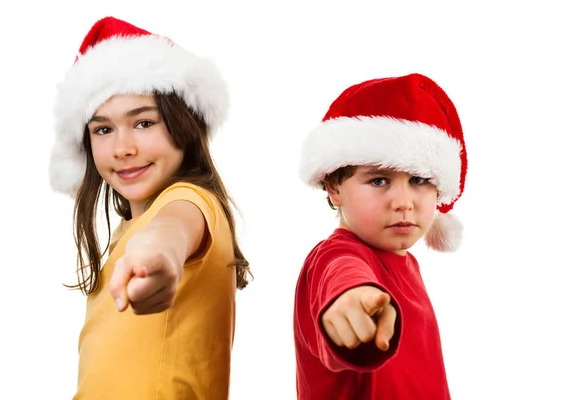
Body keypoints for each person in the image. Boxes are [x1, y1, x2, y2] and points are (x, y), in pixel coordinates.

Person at [48, 16, 251, 399]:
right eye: (103, 129)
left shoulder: (189, 201)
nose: (123, 148)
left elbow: (172, 231)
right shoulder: (129, 229)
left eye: (143, 123)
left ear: (184, 125)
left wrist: (161, 257)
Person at [293, 73, 468, 399]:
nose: (403, 202)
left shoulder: (407, 263)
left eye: (418, 180)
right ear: (334, 188)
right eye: (378, 181)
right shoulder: (333, 257)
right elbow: (342, 273)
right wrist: (351, 298)